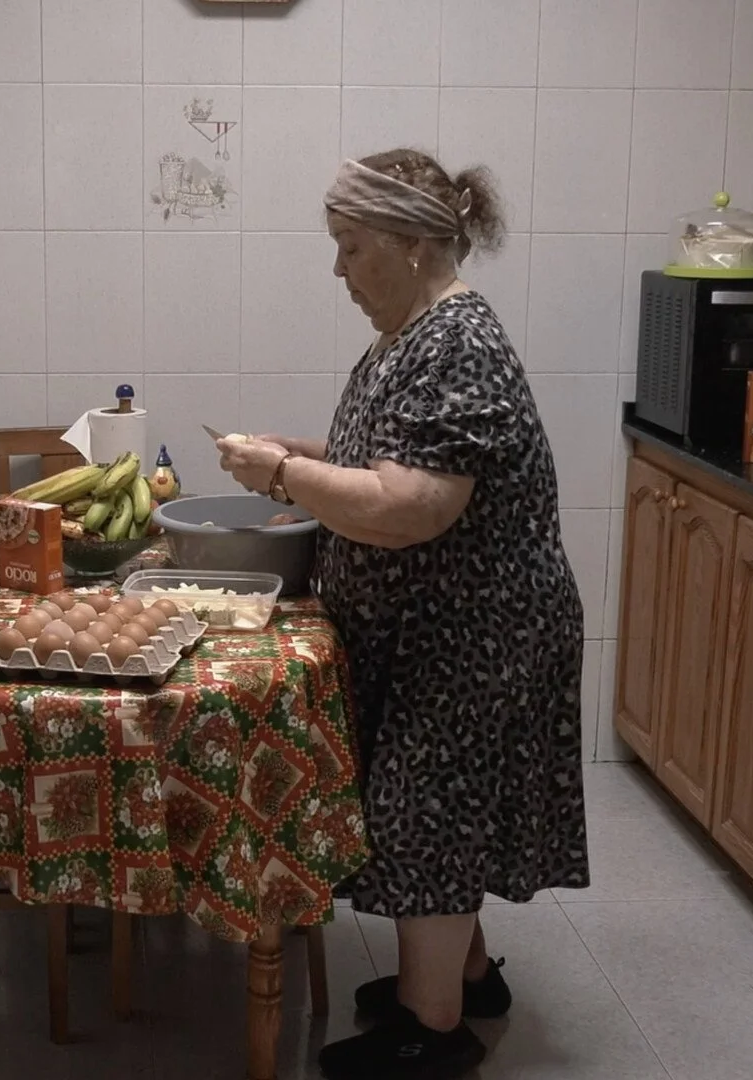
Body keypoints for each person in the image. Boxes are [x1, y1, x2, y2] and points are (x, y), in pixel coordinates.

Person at [216, 149, 590, 1080]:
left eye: (350, 247)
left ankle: (435, 1028)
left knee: (428, 811)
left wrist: (280, 475)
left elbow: (410, 508)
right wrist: (299, 451)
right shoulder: (411, 333)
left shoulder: (453, 340)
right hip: (443, 629)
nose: (337, 269)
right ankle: (466, 976)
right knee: (434, 809)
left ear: (414, 245)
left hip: (478, 633)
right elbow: (380, 458)